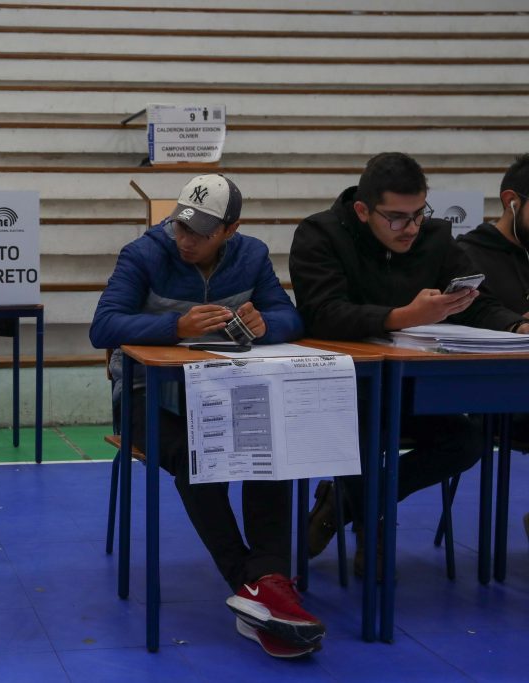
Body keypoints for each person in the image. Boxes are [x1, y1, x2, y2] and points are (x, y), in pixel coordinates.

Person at [90, 174, 325, 658]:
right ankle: (259, 584)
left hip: (223, 393)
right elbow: (103, 325)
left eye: (200, 231)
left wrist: (265, 324)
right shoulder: (143, 253)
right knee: (202, 457)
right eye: (181, 226)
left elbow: (291, 317)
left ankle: (265, 583)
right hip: (143, 398)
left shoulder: (252, 255)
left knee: (269, 447)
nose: (186, 239)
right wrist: (172, 326)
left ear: (231, 229)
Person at [289, 152, 529, 576]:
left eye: (419, 214)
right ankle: (370, 527)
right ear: (363, 210)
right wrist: (404, 316)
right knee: (360, 442)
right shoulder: (319, 234)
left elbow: (477, 304)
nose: (412, 228)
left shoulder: (436, 238)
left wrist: (514, 326)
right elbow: (322, 312)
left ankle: (348, 503)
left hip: (411, 389)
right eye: (397, 218)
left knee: (468, 441)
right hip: (342, 391)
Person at [456, 153, 529, 544]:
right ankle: (347, 505)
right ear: (511, 201)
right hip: (492, 397)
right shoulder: (469, 252)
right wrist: (519, 324)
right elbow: (477, 307)